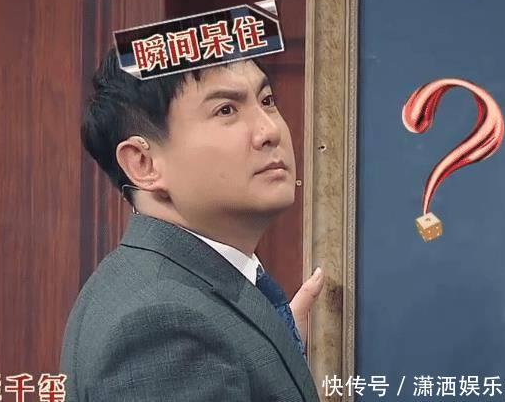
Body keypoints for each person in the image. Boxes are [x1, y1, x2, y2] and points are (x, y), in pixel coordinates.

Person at [60, 50, 325, 401]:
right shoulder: (160, 325)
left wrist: (279, 350)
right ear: (143, 163)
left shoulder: (175, 287)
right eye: (226, 110)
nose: (270, 131)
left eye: (267, 100)